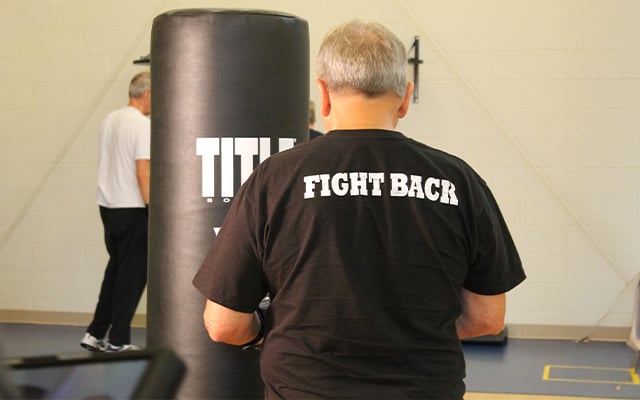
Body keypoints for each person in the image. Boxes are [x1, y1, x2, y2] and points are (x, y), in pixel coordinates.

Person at [193, 20, 525, 399]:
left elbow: (224, 324)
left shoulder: (275, 178)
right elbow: (486, 318)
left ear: (324, 94)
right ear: (405, 97)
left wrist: (269, 331)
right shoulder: (458, 180)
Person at [81, 71, 151, 353]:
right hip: (133, 208)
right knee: (131, 277)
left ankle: (95, 333)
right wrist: (152, 209)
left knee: (116, 271)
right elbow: (142, 172)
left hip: (107, 208)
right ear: (146, 95)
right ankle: (119, 340)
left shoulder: (109, 119)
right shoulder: (142, 125)